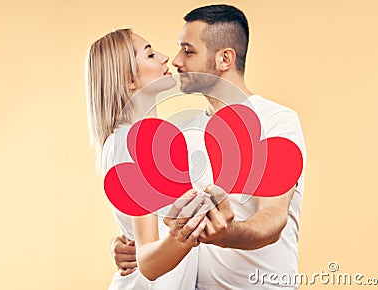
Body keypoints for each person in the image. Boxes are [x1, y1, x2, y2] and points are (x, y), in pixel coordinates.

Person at [112, 4, 306, 290]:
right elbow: (157, 221)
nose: (176, 61)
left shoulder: (277, 120)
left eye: (188, 51)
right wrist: (132, 244)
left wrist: (228, 234)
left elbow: (273, 218)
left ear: (224, 58)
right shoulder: (179, 131)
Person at [85, 28, 211, 290]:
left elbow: (139, 232)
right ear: (130, 78)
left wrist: (121, 242)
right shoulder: (136, 143)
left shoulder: (126, 140)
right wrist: (194, 226)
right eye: (150, 54)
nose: (165, 58)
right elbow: (149, 260)